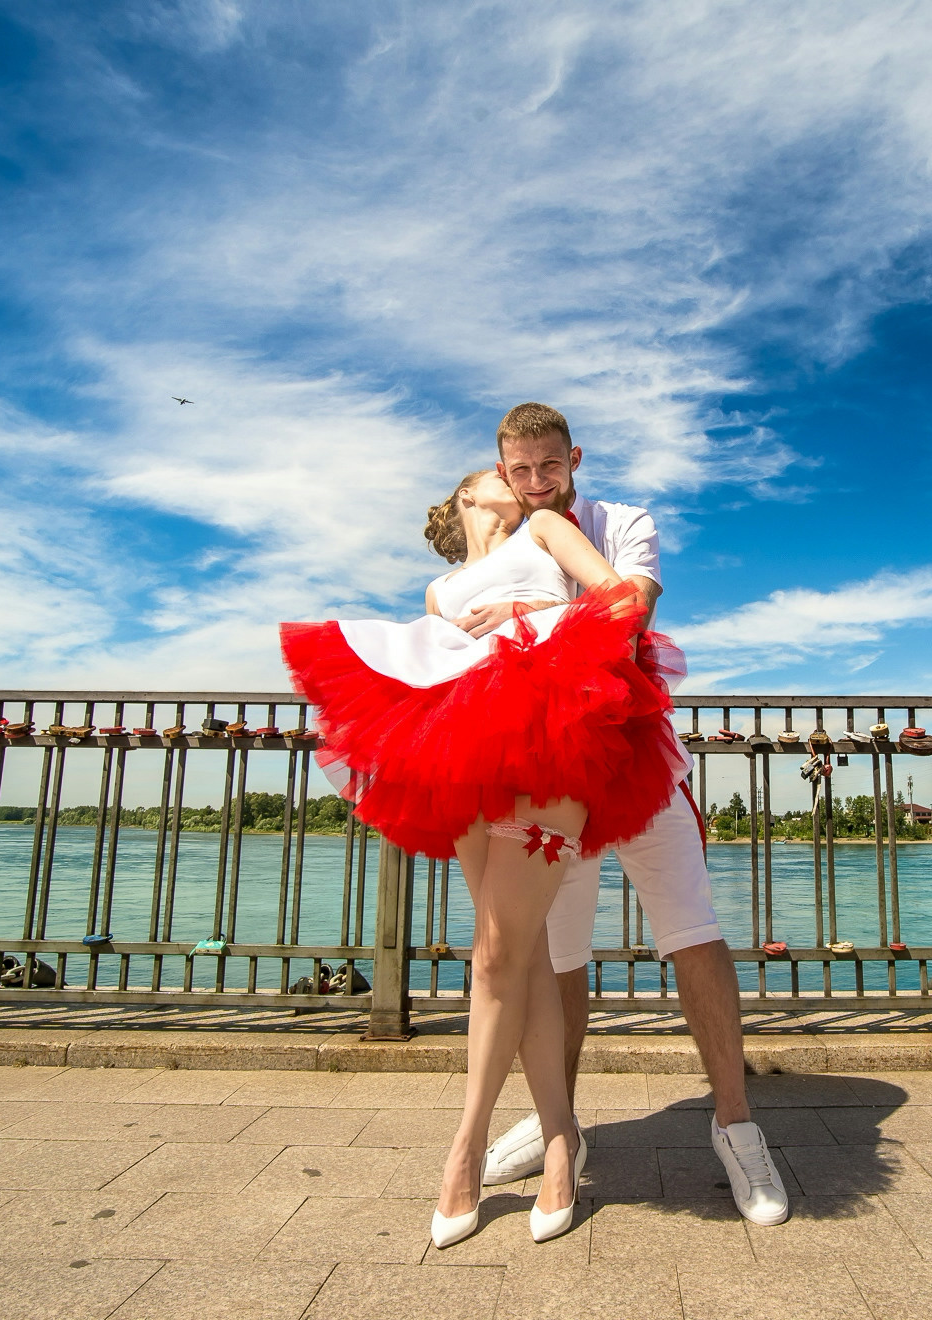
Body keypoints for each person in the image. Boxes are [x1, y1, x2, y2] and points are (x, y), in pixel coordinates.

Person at [279, 468, 685, 1248]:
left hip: (551, 735)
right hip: (462, 751)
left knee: (496, 956)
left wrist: (532, 608)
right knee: (515, 948)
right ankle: (561, 1141)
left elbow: (622, 601)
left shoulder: (545, 530)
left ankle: (464, 1148)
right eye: (494, 474)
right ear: (467, 498)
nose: (514, 479)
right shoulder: (438, 591)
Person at [456, 403, 788, 1228]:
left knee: (691, 931)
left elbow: (628, 609)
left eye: (547, 467)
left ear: (573, 458)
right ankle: (559, 1123)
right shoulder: (502, 547)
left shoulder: (622, 521)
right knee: (554, 956)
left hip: (635, 761)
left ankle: (736, 1125)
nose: (535, 482)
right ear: (502, 472)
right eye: (519, 470)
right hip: (544, 775)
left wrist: (530, 620)